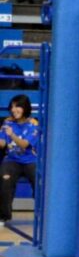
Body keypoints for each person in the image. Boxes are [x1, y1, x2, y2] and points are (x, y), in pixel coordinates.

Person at [0, 95, 39, 228]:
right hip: (11, 159)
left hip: (31, 160)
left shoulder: (33, 123)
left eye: (18, 106)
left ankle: (41, 215)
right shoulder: (7, 122)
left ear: (25, 108)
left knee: (39, 182)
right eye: (12, 106)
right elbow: (3, 143)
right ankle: (4, 216)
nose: (14, 109)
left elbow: (24, 145)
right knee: (5, 179)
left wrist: (12, 135)